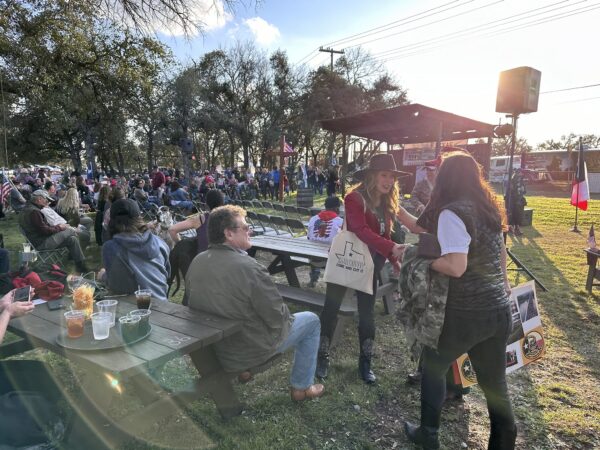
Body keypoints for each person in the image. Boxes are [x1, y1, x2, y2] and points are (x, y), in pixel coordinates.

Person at [396, 151, 516, 450]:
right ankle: (504, 443)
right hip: (497, 310)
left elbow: (455, 266)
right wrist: (503, 283)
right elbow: (501, 253)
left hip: (465, 312)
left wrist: (418, 259)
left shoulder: (453, 212)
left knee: (433, 367)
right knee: (495, 385)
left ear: (445, 179)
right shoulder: (488, 208)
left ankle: (428, 434)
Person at [186, 205, 324, 401]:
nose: (249, 230)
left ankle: (246, 372)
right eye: (245, 227)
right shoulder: (249, 268)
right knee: (311, 321)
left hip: (216, 348)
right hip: (246, 351)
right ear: (229, 234)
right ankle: (302, 388)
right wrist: (285, 316)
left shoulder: (198, 261)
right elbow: (277, 318)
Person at [317, 154, 408, 383]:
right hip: (346, 260)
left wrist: (395, 262)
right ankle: (322, 356)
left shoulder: (387, 203)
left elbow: (384, 235)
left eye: (392, 177)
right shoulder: (355, 198)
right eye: (384, 175)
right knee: (331, 308)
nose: (388, 181)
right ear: (372, 176)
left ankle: (365, 363)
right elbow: (359, 230)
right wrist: (391, 246)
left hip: (371, 265)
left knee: (367, 315)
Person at [99, 199, 170, 301]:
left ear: (111, 221)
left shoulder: (111, 247)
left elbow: (119, 287)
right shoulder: (160, 242)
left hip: (137, 308)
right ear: (139, 218)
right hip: (163, 304)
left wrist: (104, 276)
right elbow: (166, 275)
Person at [19, 190, 88, 273]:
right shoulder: (34, 212)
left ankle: (80, 265)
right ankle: (85, 244)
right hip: (42, 242)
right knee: (70, 230)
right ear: (39, 199)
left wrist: (58, 227)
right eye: (46, 200)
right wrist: (60, 228)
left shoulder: (26, 209)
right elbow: (45, 231)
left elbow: (43, 228)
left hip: (34, 242)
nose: (47, 202)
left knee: (72, 239)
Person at [306, 196, 343, 288]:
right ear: (336, 208)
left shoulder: (313, 219)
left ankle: (314, 277)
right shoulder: (340, 222)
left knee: (315, 246)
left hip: (312, 257)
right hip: (330, 260)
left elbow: (309, 237)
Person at [506, 168, 526, 236]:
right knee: (514, 214)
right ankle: (513, 229)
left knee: (517, 214)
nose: (521, 174)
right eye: (520, 173)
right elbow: (512, 190)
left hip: (518, 200)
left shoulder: (519, 180)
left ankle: (515, 229)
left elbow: (523, 190)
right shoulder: (514, 180)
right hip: (514, 200)